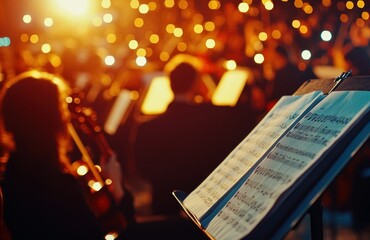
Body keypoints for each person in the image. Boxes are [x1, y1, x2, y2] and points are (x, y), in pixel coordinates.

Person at [0, 70, 134, 239]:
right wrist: (119, 192)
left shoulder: (12, 171)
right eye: (62, 111)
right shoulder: (57, 184)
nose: (67, 119)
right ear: (51, 121)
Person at [134, 61, 254, 216]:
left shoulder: (146, 128)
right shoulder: (214, 119)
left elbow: (143, 170)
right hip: (204, 203)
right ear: (195, 84)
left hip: (164, 207)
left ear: (170, 85)